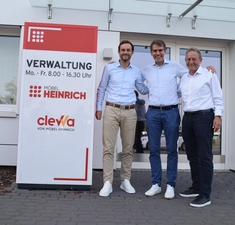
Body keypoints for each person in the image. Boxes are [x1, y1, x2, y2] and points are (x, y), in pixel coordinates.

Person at [141, 40, 215, 200]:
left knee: (171, 150)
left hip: (171, 111)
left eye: (160, 50)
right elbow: (135, 79)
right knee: (153, 150)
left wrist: (209, 69)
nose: (157, 53)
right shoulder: (146, 70)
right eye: (154, 51)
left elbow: (192, 74)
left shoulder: (175, 67)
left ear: (165, 51)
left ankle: (170, 185)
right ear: (151, 53)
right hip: (153, 112)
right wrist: (147, 90)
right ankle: (156, 184)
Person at [95, 40, 149, 197]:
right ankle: (107, 182)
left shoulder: (136, 71)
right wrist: (98, 108)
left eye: (128, 50)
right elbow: (102, 88)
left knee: (128, 149)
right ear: (119, 52)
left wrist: (156, 81)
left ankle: (125, 180)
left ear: (132, 53)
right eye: (123, 50)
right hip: (111, 109)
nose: (125, 52)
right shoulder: (109, 68)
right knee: (108, 148)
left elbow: (142, 88)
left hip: (130, 112)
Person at [178, 47, 223, 208]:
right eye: (188, 60)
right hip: (188, 118)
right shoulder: (184, 78)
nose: (191, 62)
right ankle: (196, 187)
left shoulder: (209, 74)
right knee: (192, 155)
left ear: (200, 60)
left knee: (205, 156)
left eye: (194, 59)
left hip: (204, 117)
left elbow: (218, 97)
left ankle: (205, 194)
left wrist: (218, 116)